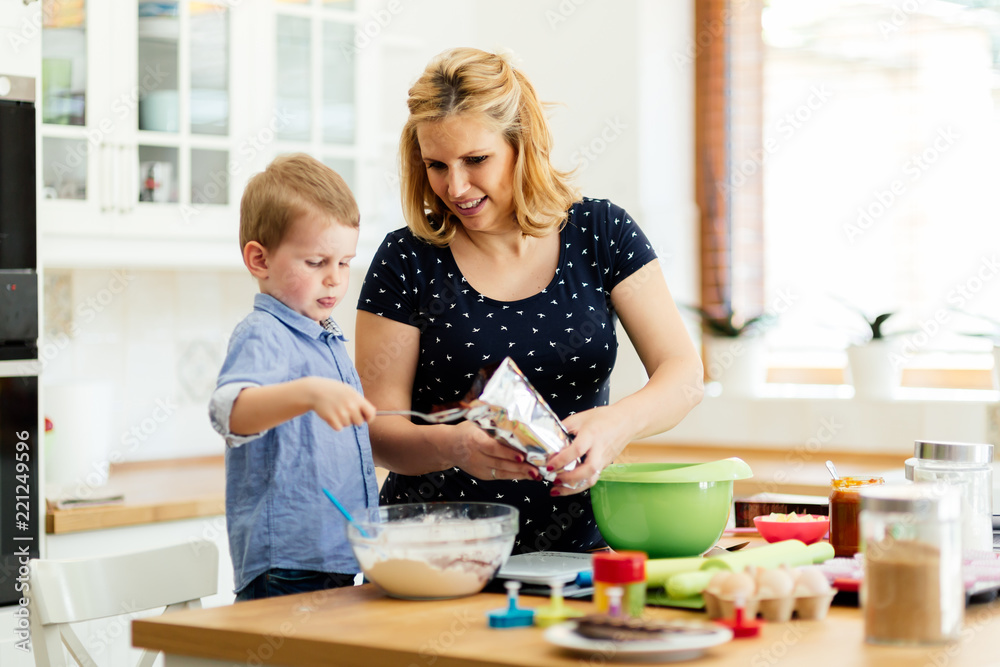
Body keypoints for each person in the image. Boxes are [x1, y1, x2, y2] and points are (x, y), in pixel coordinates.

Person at [355, 48, 704, 554]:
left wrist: (617, 424)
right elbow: (377, 430)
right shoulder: (406, 259)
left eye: (476, 160)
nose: (455, 186)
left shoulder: (601, 232)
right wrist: (454, 446)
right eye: (436, 165)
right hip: (433, 556)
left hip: (578, 554)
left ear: (523, 144)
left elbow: (683, 374)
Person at [210, 153, 378, 600]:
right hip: (287, 564)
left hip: (334, 557)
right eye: (317, 262)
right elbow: (231, 413)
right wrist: (308, 393)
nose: (334, 281)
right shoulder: (264, 333)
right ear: (259, 260)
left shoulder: (325, 339)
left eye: (344, 263)